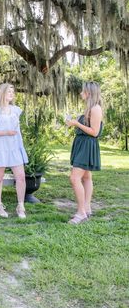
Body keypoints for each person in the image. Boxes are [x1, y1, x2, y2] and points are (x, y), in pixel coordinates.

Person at [0, 83, 28, 218]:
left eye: (12, 92)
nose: (11, 94)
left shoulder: (16, 110)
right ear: (2, 93)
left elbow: (16, 130)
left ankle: (20, 206)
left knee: (20, 176)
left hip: (13, 147)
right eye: (9, 91)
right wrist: (6, 132)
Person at [66, 81, 103, 224]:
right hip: (82, 145)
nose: (81, 93)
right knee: (86, 177)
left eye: (83, 91)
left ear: (89, 93)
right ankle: (87, 208)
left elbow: (94, 132)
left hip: (87, 146)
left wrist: (77, 123)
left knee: (75, 178)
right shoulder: (90, 108)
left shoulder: (95, 108)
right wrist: (73, 123)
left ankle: (81, 212)